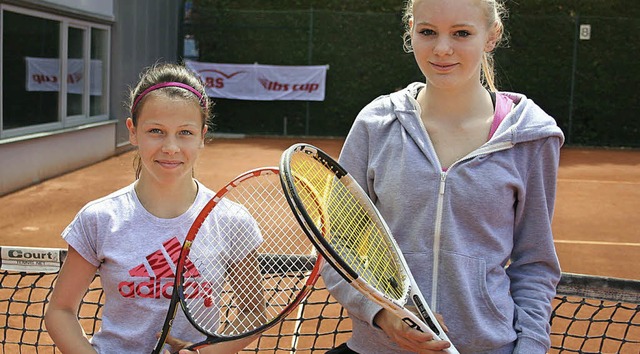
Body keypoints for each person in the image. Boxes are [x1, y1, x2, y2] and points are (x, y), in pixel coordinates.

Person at [322, 0, 564, 353]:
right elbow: (339, 246)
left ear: (491, 36)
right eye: (427, 32)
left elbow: (535, 264)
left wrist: (530, 348)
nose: (442, 49)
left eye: (462, 33)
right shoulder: (376, 125)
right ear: (411, 32)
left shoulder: (532, 137)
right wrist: (383, 315)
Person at [44, 63, 259, 354]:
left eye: (185, 132)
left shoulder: (232, 221)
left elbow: (253, 311)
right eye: (156, 131)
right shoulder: (100, 218)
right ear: (133, 132)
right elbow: (60, 310)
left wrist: (208, 353)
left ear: (202, 137)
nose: (170, 147)